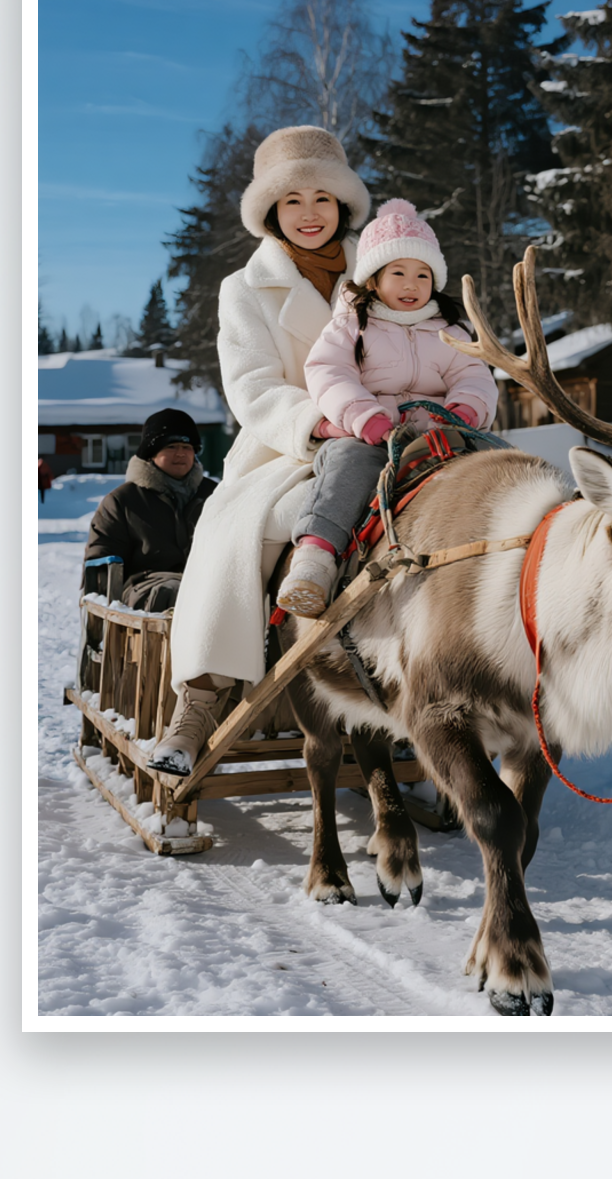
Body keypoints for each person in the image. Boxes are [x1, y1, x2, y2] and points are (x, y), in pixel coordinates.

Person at [149, 125, 371, 775]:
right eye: (293, 200)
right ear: (272, 211)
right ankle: (200, 701)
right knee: (241, 534)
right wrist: (319, 423)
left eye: (322, 199)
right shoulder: (244, 289)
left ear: (343, 206)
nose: (309, 213)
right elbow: (251, 387)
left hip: (388, 435)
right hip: (288, 446)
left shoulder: (387, 271)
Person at [276, 198, 498, 617]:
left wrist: (465, 413)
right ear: (373, 279)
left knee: (502, 457)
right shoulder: (352, 324)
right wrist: (366, 418)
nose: (411, 284)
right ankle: (314, 561)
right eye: (398, 273)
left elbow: (474, 375)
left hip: (444, 432)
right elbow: (328, 372)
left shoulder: (450, 327)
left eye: (423, 274)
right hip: (373, 435)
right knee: (347, 468)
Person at [83, 409, 216, 611]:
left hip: (206, 579)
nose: (180, 453)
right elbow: (101, 556)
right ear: (151, 453)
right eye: (171, 446)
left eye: (187, 447)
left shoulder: (215, 495)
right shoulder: (123, 501)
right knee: (175, 591)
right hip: (144, 586)